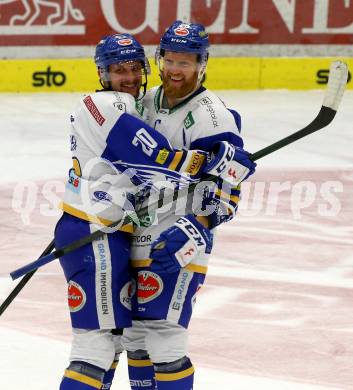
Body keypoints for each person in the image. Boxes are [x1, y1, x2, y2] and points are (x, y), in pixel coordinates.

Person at [54, 33, 223, 390]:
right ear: (103, 74)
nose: (129, 76)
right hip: (94, 229)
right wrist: (203, 161)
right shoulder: (114, 104)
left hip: (102, 230)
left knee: (123, 339)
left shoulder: (134, 104)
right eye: (119, 70)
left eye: (134, 68)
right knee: (95, 347)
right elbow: (147, 154)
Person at [122, 21, 256, 390]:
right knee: (133, 335)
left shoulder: (214, 116)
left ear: (202, 63)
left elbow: (228, 193)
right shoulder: (145, 102)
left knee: (164, 334)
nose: (176, 70)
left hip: (180, 235)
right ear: (159, 58)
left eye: (187, 62)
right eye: (171, 59)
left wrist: (198, 226)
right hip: (136, 230)